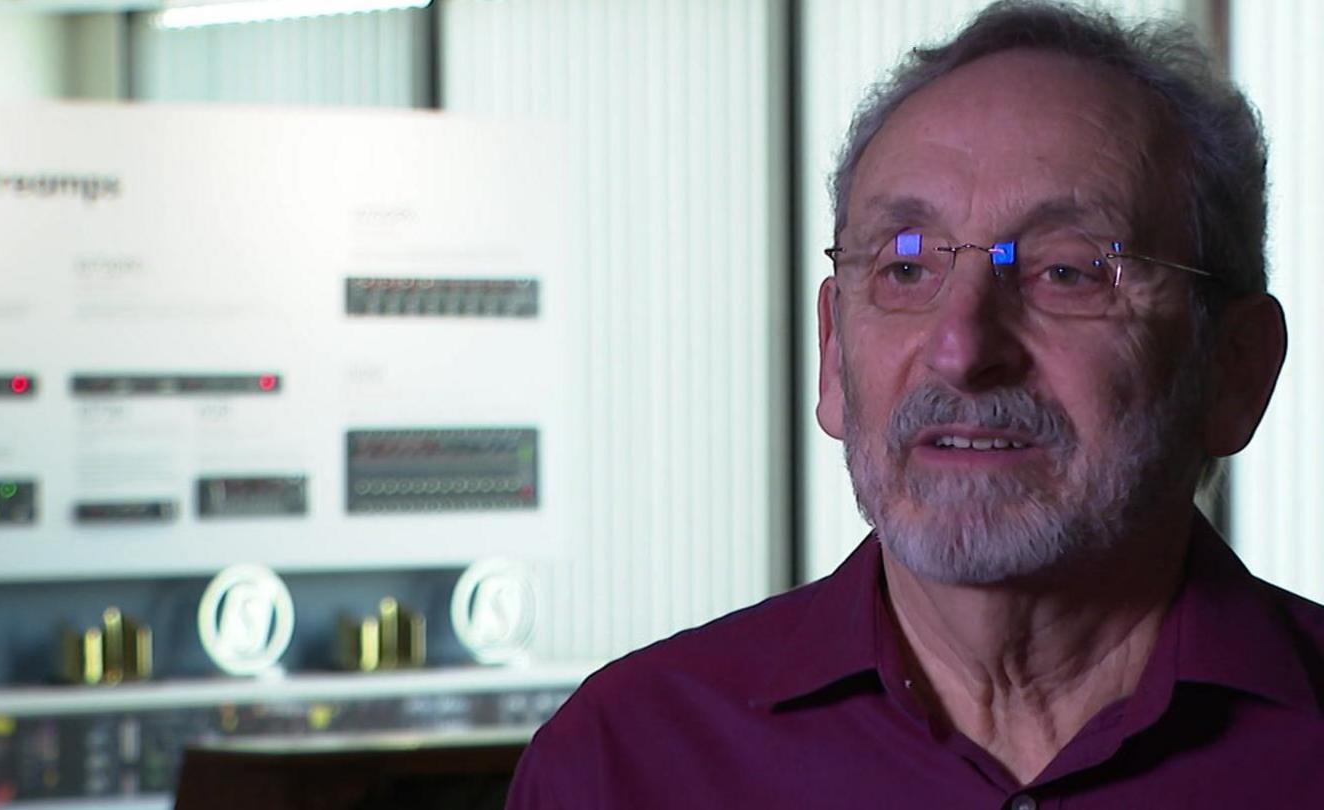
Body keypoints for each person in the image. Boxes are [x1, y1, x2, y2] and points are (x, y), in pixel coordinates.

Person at [506, 2, 1322, 806]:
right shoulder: (623, 766)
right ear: (832, 352)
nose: (962, 350)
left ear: (1237, 370)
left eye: (1067, 271)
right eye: (904, 269)